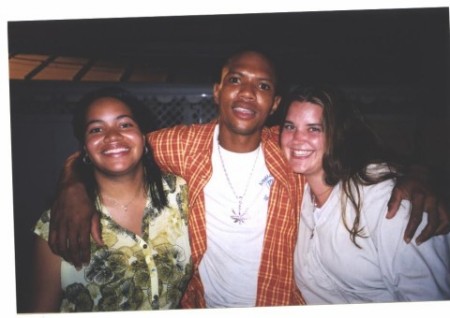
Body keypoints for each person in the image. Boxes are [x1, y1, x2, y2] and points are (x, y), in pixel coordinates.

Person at [48, 49, 449, 308]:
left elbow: (355, 154)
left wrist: (416, 175)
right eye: (236, 80)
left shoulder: (289, 150)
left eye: (262, 86)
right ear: (218, 89)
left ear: (274, 104)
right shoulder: (181, 146)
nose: (246, 93)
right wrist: (72, 180)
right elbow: (116, 146)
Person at [280, 85, 450, 304]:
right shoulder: (292, 192)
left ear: (337, 135)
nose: (296, 139)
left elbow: (429, 301)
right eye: (289, 126)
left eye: (314, 129)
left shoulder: (391, 203)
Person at [31, 87, 192, 312]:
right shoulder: (58, 222)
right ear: (84, 149)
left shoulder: (181, 195)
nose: (113, 136)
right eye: (96, 129)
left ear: (144, 139)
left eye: (125, 124)